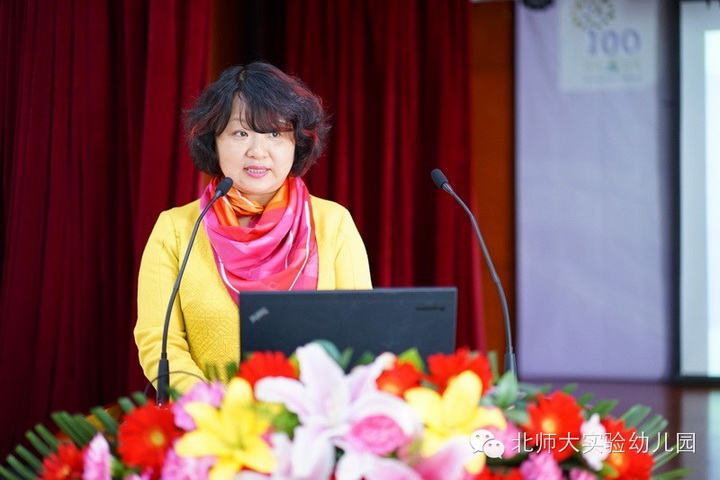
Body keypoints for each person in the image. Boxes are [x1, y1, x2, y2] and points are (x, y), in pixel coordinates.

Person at [134, 61, 372, 393]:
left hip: (311, 418)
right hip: (211, 419)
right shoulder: (175, 229)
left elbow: (359, 335)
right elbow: (159, 342)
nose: (257, 151)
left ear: (297, 143)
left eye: (274, 133)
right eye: (240, 133)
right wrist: (212, 409)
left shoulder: (333, 223)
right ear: (214, 141)